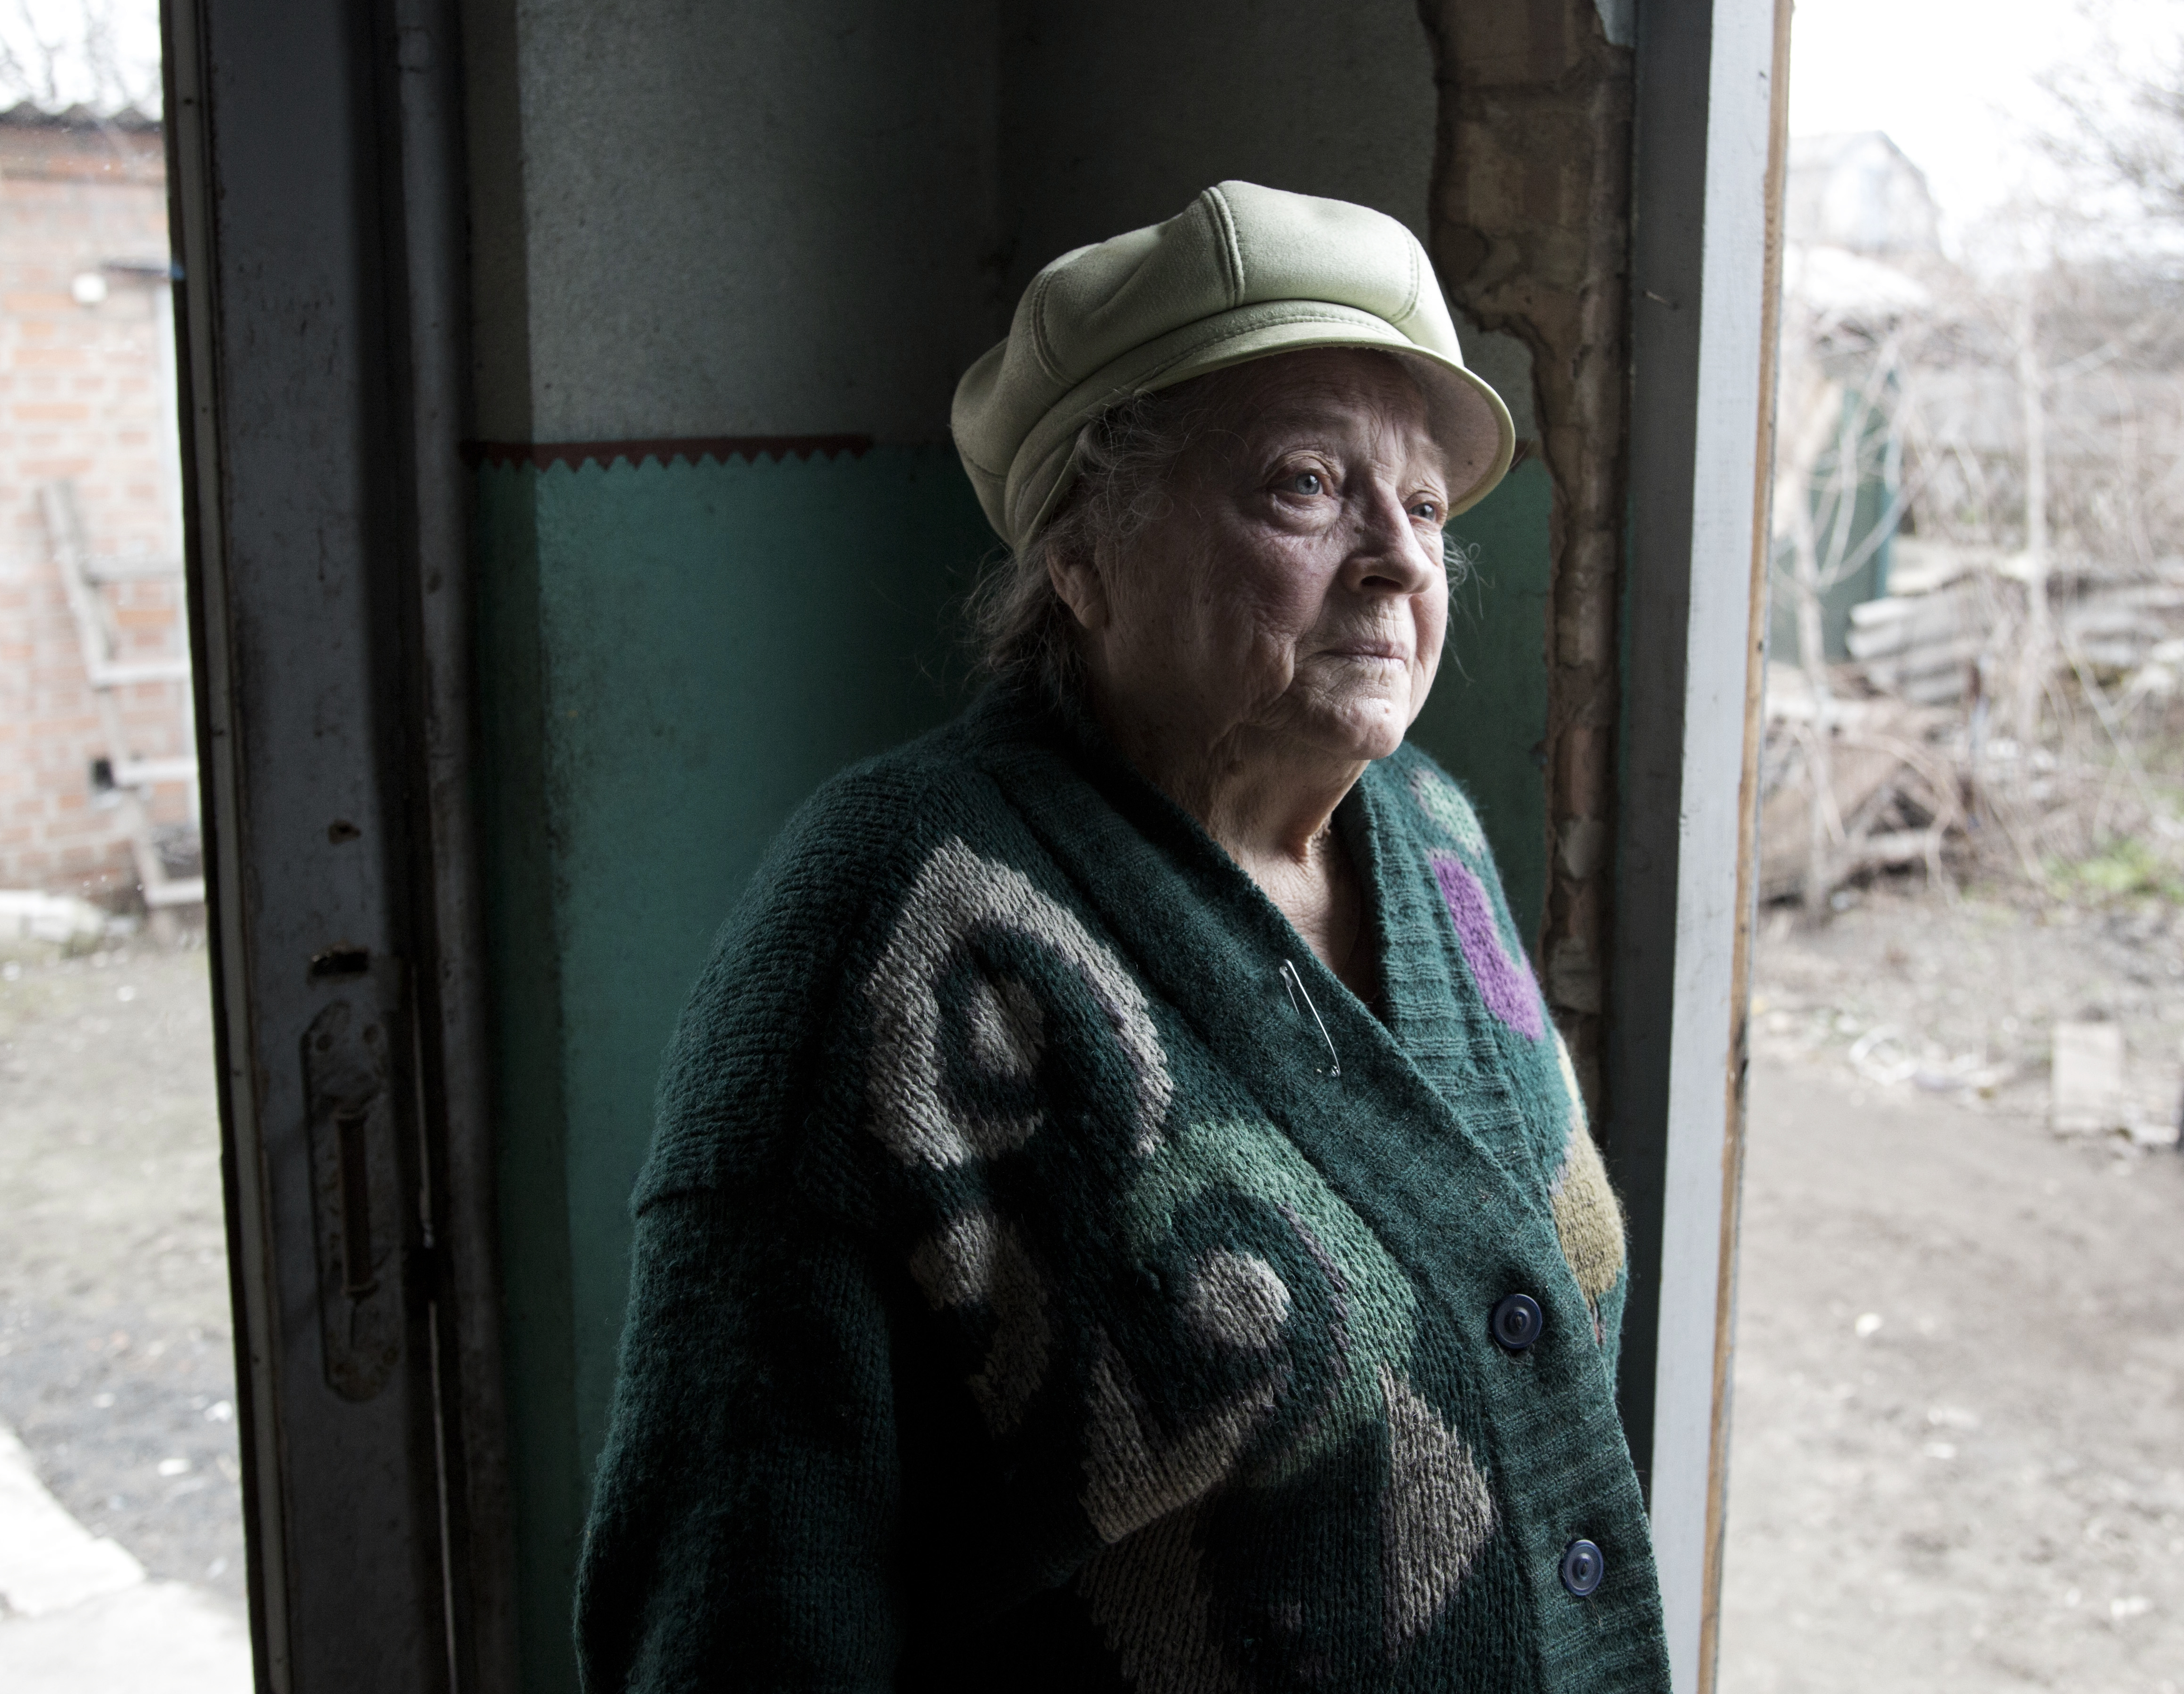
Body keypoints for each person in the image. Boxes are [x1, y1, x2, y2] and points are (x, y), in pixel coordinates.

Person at [575, 181, 1669, 1690]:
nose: (1404, 561)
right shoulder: (891, 913)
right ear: (1082, 555)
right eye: (1306, 484)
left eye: (1420, 505)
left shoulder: (1430, 834)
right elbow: (737, 1602)